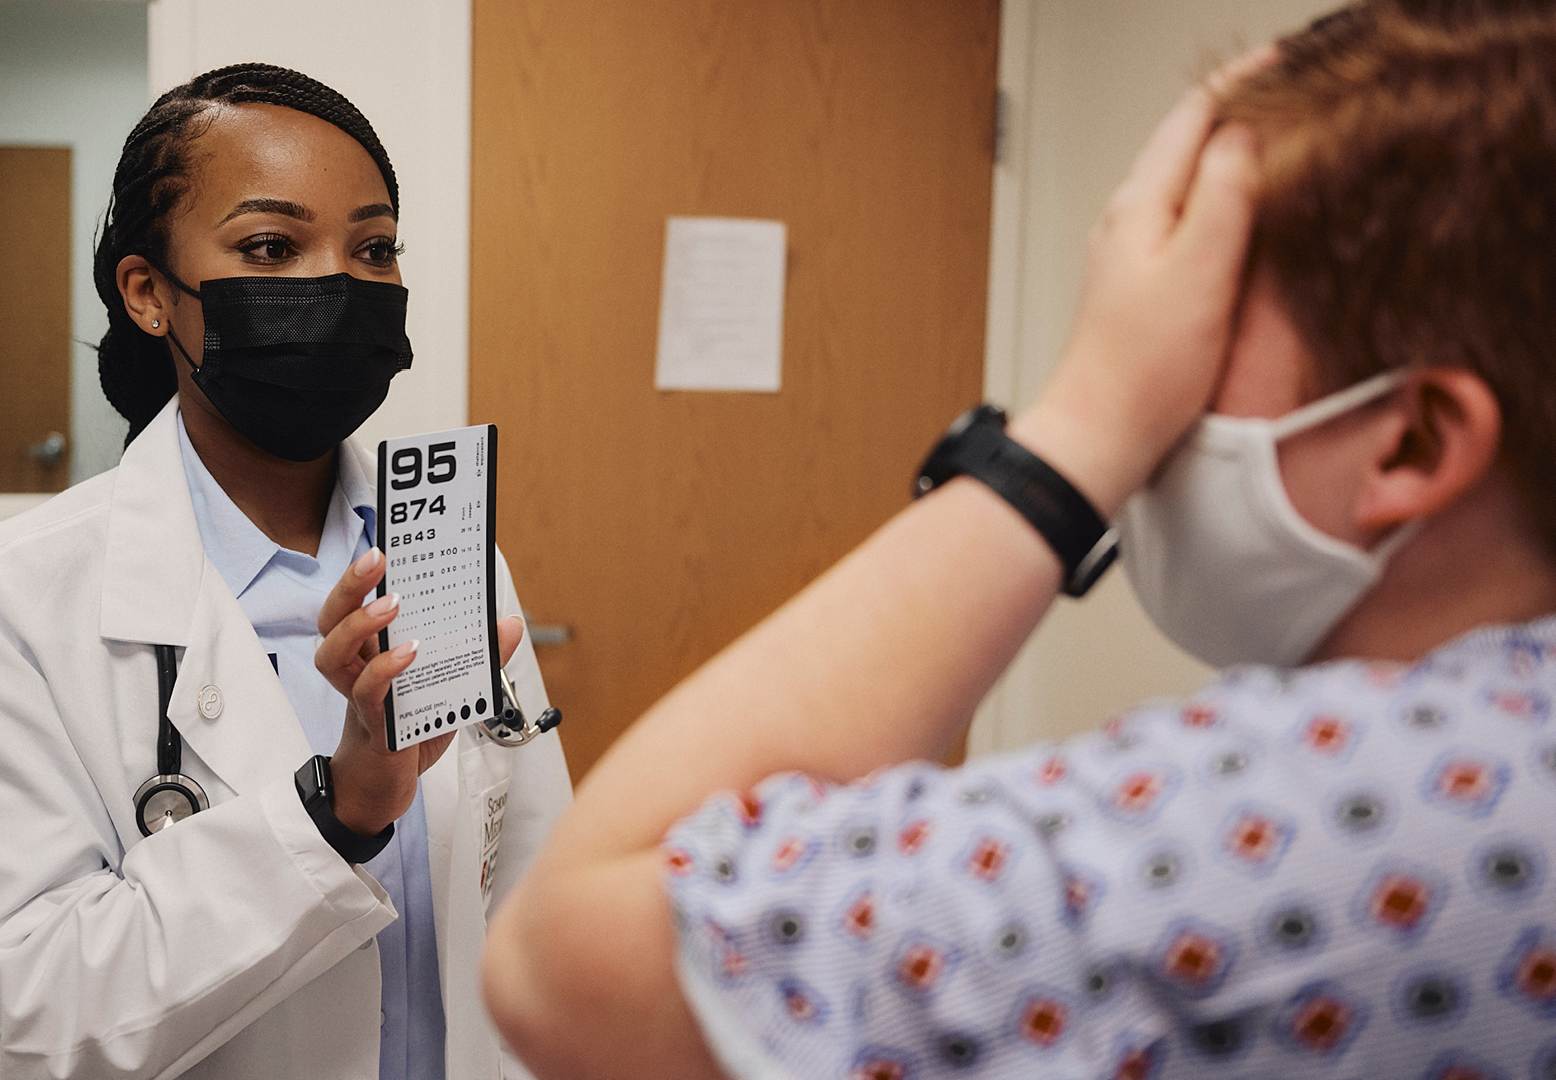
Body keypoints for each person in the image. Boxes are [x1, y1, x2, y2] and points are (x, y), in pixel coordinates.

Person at [482, 3, 1556, 1078]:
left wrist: (1084, 428)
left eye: (1201, 323)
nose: (1155, 367)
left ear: (1412, 442)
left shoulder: (1381, 817)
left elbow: (573, 957)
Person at [0, 63, 571, 1080]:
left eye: (374, 247)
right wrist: (333, 813)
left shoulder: (447, 545)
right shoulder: (9, 605)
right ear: (149, 294)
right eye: (271, 245)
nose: (339, 281)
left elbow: (536, 900)